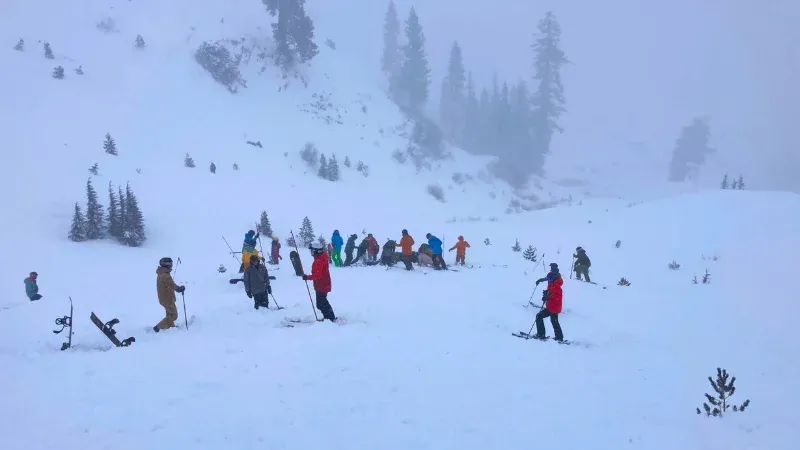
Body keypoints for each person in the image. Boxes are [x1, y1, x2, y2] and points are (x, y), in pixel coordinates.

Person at [301, 243, 337, 322]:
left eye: (312, 251)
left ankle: (330, 318)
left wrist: (307, 277)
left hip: (322, 285)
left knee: (321, 303)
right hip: (324, 283)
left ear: (317, 251)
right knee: (322, 302)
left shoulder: (319, 261)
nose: (311, 253)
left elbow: (317, 275)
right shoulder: (322, 257)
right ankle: (329, 317)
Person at [533, 263, 564, 341]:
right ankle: (559, 337)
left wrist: (547, 297)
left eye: (549, 280)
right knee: (554, 321)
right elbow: (550, 290)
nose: (548, 280)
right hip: (554, 307)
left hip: (553, 307)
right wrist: (546, 293)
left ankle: (541, 334)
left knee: (539, 316)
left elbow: (554, 295)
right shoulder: (553, 281)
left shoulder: (555, 285)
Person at [153, 257, 185, 332]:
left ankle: (170, 327)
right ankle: (158, 327)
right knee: (174, 315)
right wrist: (179, 289)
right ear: (166, 264)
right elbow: (171, 285)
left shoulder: (162, 273)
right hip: (167, 299)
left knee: (169, 314)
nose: (172, 265)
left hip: (165, 298)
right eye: (170, 264)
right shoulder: (165, 275)